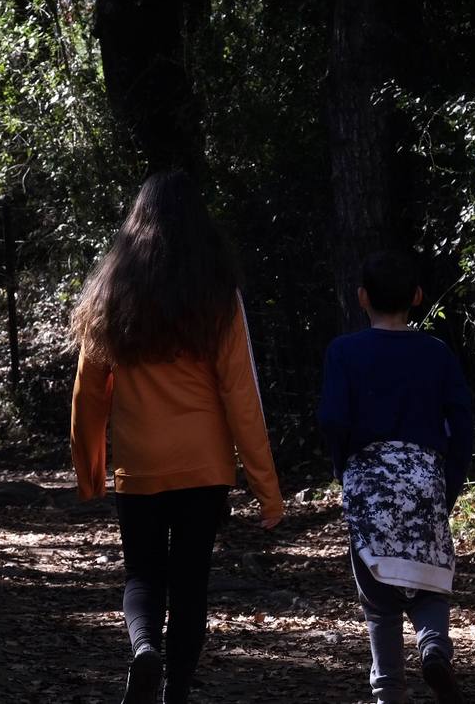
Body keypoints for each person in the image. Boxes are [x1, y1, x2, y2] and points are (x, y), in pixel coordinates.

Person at [70, 170, 284, 704]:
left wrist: (90, 471)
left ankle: (144, 648)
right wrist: (266, 488)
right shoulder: (217, 296)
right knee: (191, 582)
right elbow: (241, 395)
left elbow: (88, 393)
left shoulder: (112, 293)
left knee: (143, 574)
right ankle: (177, 692)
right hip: (204, 465)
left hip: (139, 464)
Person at [317, 250, 474, 704]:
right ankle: (433, 646)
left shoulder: (343, 352)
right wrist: (450, 485)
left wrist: (345, 473)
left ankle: (388, 691)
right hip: (425, 477)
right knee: (429, 579)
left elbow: (332, 420)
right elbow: (461, 424)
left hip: (369, 482)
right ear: (418, 297)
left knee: (379, 600)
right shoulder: (436, 353)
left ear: (362, 297)